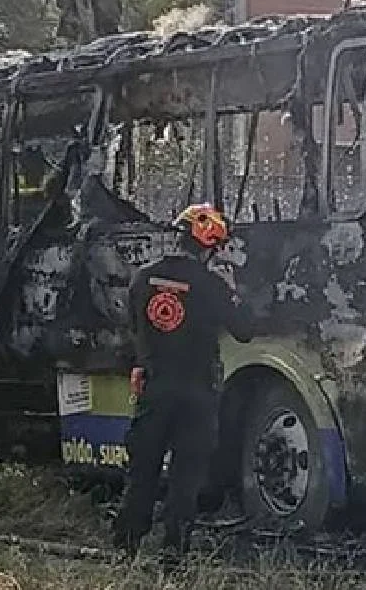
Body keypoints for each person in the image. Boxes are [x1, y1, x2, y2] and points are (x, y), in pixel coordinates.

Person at [111, 203, 254, 560]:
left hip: (155, 389)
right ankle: (173, 553)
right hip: (197, 393)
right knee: (185, 477)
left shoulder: (143, 278)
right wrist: (236, 290)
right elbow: (244, 332)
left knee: (142, 470)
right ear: (208, 246)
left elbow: (133, 331)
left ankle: (125, 549)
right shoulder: (212, 286)